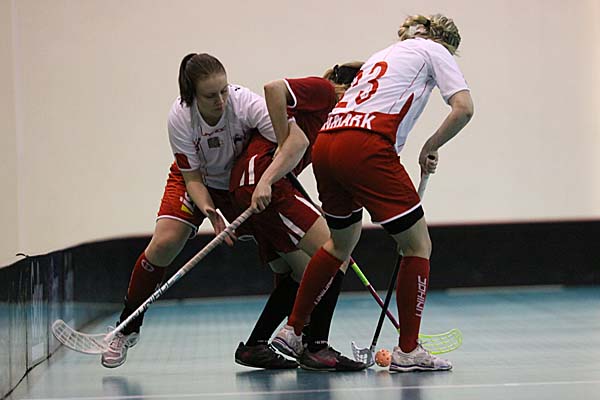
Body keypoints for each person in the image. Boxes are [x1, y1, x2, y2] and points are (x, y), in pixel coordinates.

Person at [273, 14, 474, 373]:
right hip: (366, 146)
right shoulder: (434, 51)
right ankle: (408, 351)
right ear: (446, 44)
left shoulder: (385, 54)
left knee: (338, 244)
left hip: (327, 142)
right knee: (417, 245)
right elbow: (464, 109)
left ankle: (292, 330)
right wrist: (431, 145)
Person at [101, 53, 282, 368]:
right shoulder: (180, 118)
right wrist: (211, 212)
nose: (221, 101)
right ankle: (127, 327)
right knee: (164, 243)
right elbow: (193, 178)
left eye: (224, 90)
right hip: (196, 181)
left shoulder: (245, 103)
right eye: (210, 96)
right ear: (191, 96)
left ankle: (294, 335)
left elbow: (286, 139)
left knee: (285, 256)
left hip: (240, 181)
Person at [231, 63, 368, 371]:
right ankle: (316, 346)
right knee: (336, 255)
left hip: (256, 183)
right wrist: (283, 144)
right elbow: (273, 88)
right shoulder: (323, 91)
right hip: (263, 181)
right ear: (345, 86)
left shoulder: (334, 120)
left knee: (303, 271)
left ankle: (255, 346)